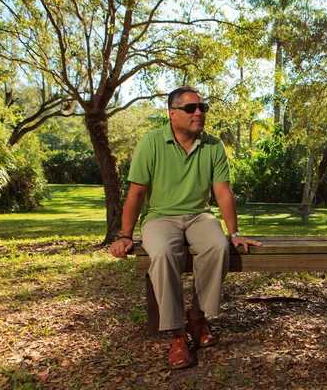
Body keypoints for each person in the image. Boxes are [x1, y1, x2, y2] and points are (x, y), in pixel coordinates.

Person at [110, 86, 261, 370]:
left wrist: (235, 233)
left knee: (218, 247)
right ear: (172, 113)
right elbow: (136, 194)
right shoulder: (151, 143)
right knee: (165, 252)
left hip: (199, 216)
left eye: (202, 107)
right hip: (159, 217)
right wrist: (125, 235)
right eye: (191, 108)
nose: (199, 113)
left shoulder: (213, 145)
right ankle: (177, 336)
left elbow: (223, 193)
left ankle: (197, 316)